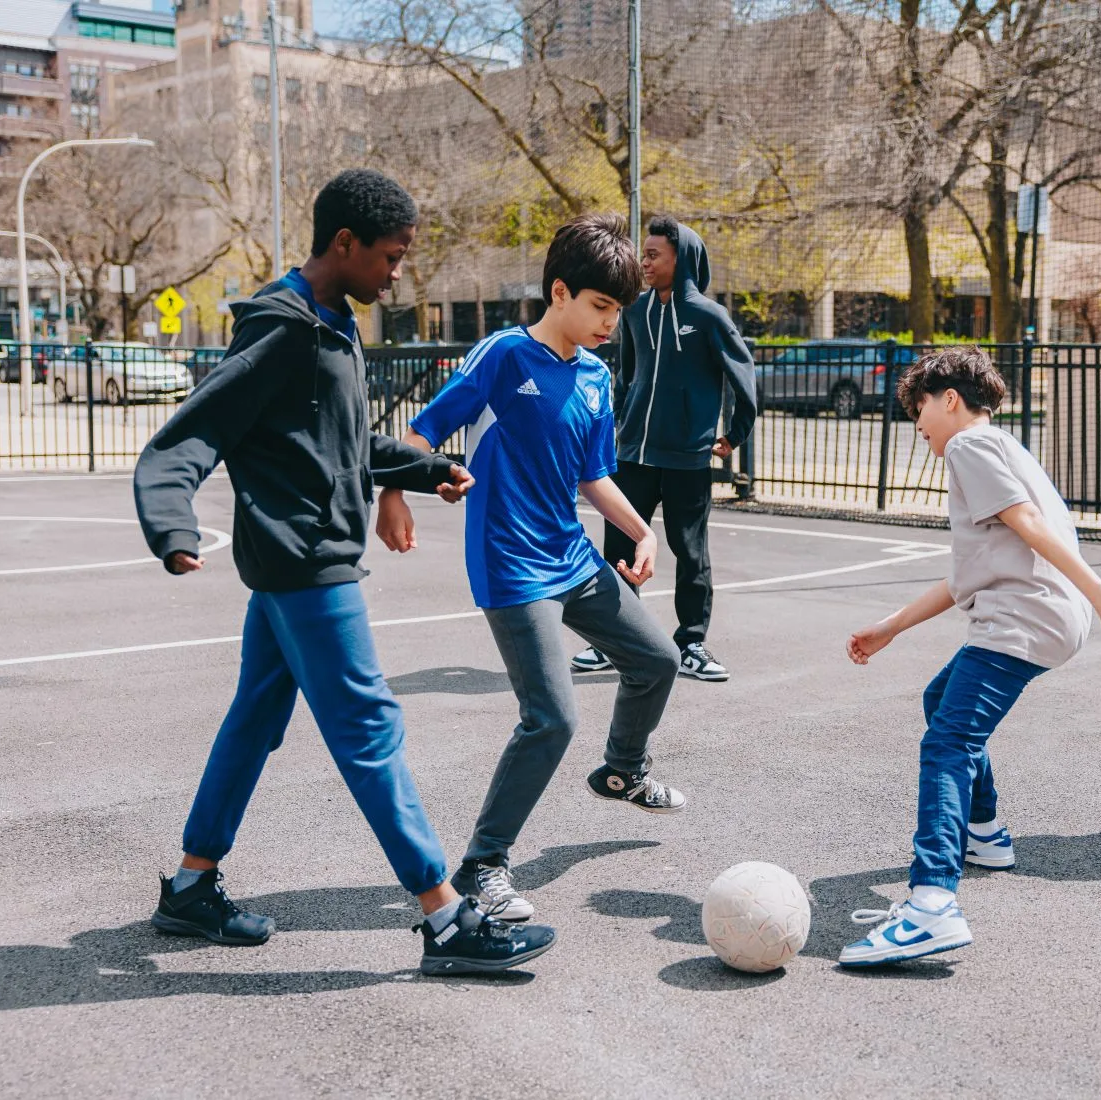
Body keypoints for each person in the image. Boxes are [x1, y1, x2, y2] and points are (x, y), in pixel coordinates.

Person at [133, 169, 556, 976]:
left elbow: (344, 443)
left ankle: (190, 886)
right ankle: (445, 919)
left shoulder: (332, 322)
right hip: (303, 562)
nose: (397, 274)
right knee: (369, 726)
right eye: (391, 258)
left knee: (255, 720)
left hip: (306, 555)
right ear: (345, 244)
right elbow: (193, 431)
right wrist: (172, 521)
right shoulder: (283, 327)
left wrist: (422, 468)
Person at [376, 213, 685, 924]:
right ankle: (483, 865)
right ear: (559, 292)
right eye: (601, 306)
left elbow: (593, 476)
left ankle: (623, 770)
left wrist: (641, 531)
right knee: (550, 718)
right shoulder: (504, 356)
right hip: (512, 565)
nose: (611, 322)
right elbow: (423, 431)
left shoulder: (597, 378)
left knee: (658, 661)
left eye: (619, 311)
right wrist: (395, 491)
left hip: (572, 556)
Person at [838, 347, 1101, 967]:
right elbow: (968, 578)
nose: (918, 424)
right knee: (941, 703)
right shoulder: (1003, 447)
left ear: (948, 399)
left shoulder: (968, 448)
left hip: (1024, 619)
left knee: (948, 743)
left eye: (919, 409)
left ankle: (932, 904)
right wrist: (892, 627)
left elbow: (1033, 524)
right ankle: (984, 835)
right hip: (1042, 615)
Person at [569, 214, 758, 683]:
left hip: (687, 459)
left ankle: (691, 642)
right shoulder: (633, 310)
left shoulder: (709, 317)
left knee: (689, 551)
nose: (644, 262)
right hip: (632, 454)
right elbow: (628, 375)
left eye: (653, 255)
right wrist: (620, 425)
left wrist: (735, 433)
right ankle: (614, 641)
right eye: (643, 253)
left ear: (682, 259)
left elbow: (743, 376)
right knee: (618, 545)